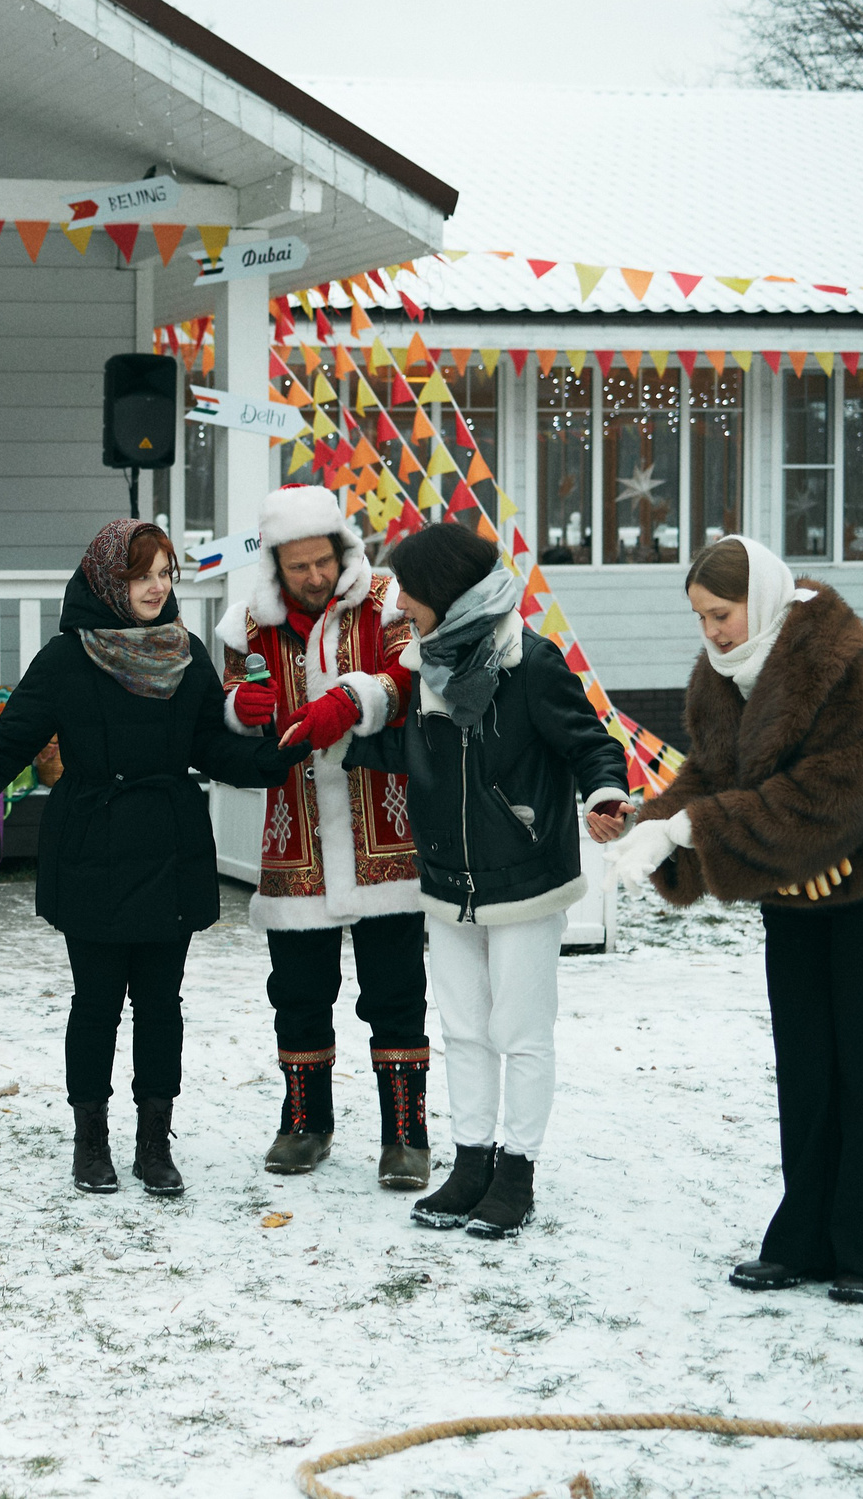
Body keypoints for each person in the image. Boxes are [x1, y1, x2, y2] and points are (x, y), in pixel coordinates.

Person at [608, 536, 863, 1303]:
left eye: (722, 613)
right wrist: (654, 825)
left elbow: (838, 789)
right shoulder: (719, 678)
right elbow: (712, 775)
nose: (713, 631)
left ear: (759, 598)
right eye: (701, 617)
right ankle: (805, 1238)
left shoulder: (839, 658)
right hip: (797, 888)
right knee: (807, 1069)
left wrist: (699, 827)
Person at [0, 519, 302, 1195]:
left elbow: (210, 744)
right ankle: (91, 1141)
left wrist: (275, 753)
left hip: (169, 842)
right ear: (109, 579)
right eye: (142, 576)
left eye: (165, 574)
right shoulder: (67, 657)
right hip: (92, 845)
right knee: (97, 1002)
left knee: (161, 1003)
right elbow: (7, 746)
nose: (156, 587)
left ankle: (154, 1143)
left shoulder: (184, 651)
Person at [339, 521, 631, 1239]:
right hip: (447, 880)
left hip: (525, 876)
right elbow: (418, 755)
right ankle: (471, 1164)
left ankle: (517, 1172)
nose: (399, 604)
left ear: (444, 590)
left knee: (520, 1033)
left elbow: (590, 744)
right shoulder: (425, 666)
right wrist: (340, 732)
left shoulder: (528, 661)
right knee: (464, 1030)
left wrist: (605, 795)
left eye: (408, 590)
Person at [212, 484, 432, 1188]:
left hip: (383, 829)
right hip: (296, 833)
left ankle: (406, 1134)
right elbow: (230, 708)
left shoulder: (388, 602)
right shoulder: (248, 625)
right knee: (298, 990)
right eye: (298, 565)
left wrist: (356, 696)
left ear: (343, 549)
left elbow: (413, 673)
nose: (314, 576)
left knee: (396, 989)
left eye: (323, 561)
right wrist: (237, 708)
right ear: (275, 564)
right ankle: (305, 1124)